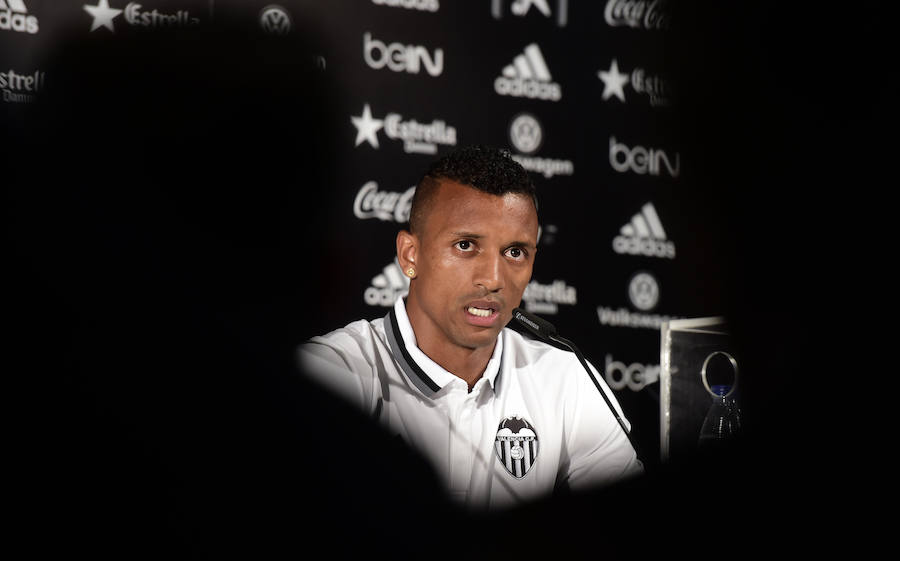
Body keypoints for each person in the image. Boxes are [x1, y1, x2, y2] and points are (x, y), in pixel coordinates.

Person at [297, 145, 642, 510]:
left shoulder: (564, 377)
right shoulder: (336, 371)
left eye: (515, 252)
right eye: (465, 245)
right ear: (410, 255)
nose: (493, 279)